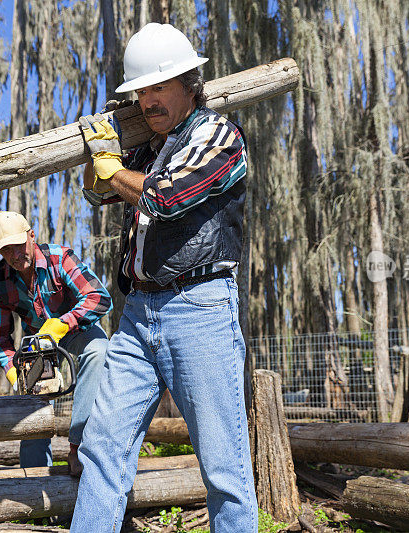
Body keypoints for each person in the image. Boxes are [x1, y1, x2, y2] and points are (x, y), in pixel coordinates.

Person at [71, 23, 257, 532]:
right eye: (141, 92)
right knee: (102, 449)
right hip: (137, 313)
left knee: (224, 466)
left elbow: (164, 198)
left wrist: (110, 168)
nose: (148, 101)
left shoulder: (218, 135)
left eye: (159, 88)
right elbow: (100, 193)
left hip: (200, 308)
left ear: (190, 82)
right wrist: (100, 159)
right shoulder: (149, 146)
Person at [0, 211, 111, 476]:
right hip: (38, 344)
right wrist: (13, 372)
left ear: (32, 236)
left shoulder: (59, 257)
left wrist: (61, 324)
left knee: (100, 351)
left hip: (78, 328)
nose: (16, 256)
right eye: (7, 251)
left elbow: (99, 297)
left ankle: (79, 448)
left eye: (19, 246)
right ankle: (34, 481)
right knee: (32, 401)